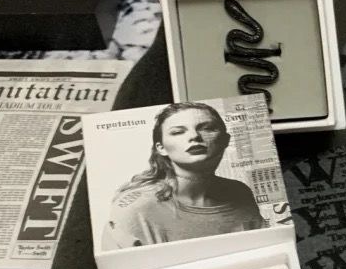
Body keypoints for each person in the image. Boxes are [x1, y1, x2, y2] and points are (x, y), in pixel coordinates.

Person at [103, 102, 265, 248]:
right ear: (161, 148)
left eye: (207, 128)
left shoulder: (239, 192)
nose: (194, 136)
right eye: (178, 132)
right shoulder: (136, 208)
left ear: (225, 140)